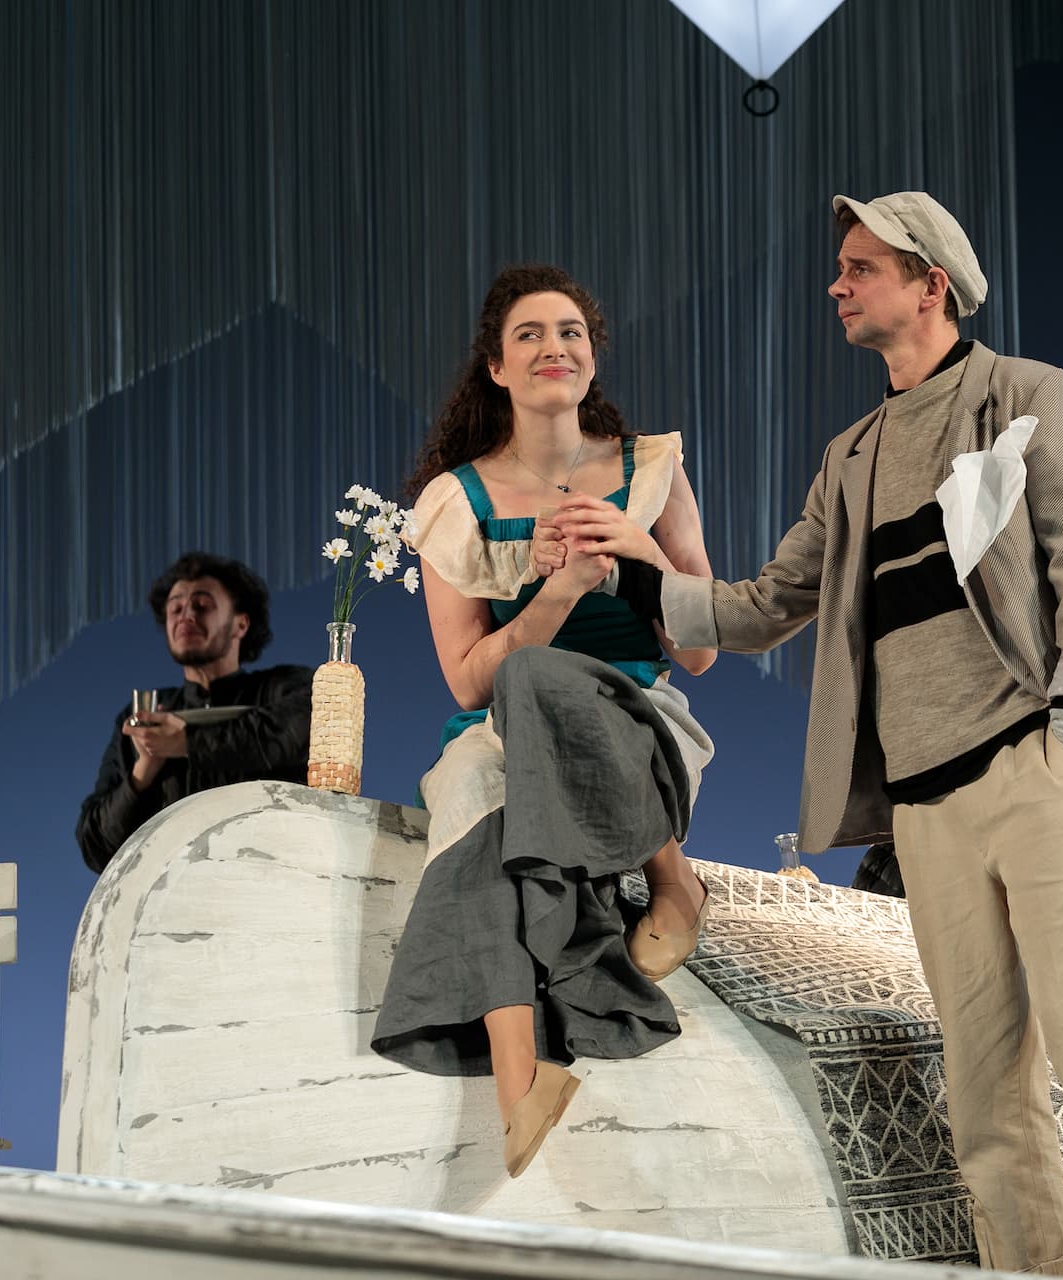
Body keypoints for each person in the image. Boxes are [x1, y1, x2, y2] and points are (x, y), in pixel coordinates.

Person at [583, 193, 1063, 1278]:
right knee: (984, 1089)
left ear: (931, 284)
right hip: (924, 806)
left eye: (860, 267)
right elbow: (764, 605)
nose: (836, 285)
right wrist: (640, 572)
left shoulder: (1025, 393)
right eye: (841, 268)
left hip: (1034, 759)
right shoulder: (851, 456)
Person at [371, 264, 716, 1180]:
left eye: (570, 332)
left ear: (592, 357)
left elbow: (701, 653)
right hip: (508, 729)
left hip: (636, 718)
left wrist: (638, 554)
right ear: (495, 367)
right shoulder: (456, 505)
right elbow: (466, 683)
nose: (553, 347)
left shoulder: (651, 470)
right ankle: (521, 1082)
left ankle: (673, 881)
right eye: (529, 334)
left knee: (535, 677)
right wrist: (556, 592)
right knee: (471, 807)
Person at [75, 552, 311, 874]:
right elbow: (97, 847)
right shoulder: (138, 717)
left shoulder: (284, 688)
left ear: (240, 624)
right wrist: (144, 770)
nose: (185, 616)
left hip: (272, 885)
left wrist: (185, 742)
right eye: (175, 609)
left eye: (202, 605)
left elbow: (302, 728)